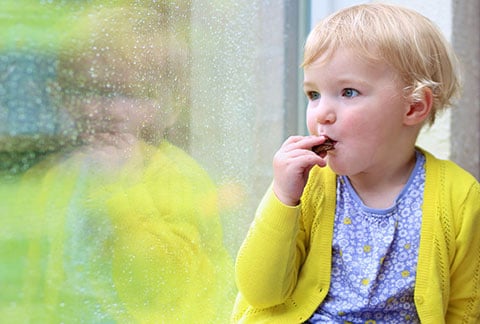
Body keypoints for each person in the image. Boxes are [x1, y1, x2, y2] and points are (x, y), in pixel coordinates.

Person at [232, 3, 480, 323]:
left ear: (413, 107)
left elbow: (466, 309)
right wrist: (282, 198)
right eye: (313, 94)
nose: (321, 112)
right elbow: (260, 292)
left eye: (348, 92)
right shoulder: (308, 185)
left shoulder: (460, 197)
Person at [1, 3, 236, 322]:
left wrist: (119, 192)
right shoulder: (59, 176)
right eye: (87, 89)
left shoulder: (177, 177)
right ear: (62, 95)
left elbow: (169, 284)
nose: (103, 109)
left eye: (128, 94)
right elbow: (36, 280)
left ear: (168, 105)